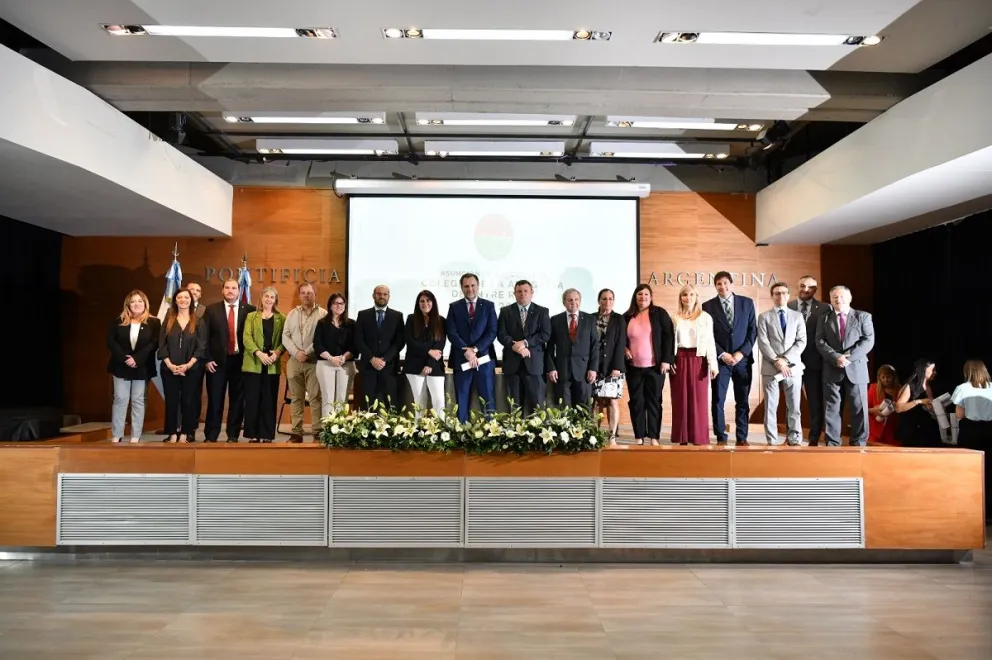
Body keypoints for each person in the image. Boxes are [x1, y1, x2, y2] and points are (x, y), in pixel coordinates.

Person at [701, 271, 757, 446]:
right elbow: (707, 335)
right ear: (715, 286)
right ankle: (721, 437)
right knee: (718, 400)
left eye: (725, 283)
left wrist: (741, 353)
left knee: (743, 400)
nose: (722, 286)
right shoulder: (707, 306)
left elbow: (752, 332)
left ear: (731, 283)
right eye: (719, 284)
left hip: (743, 361)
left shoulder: (747, 303)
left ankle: (742, 437)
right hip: (720, 361)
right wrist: (722, 353)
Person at [816, 285, 875, 446]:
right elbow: (820, 341)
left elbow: (868, 340)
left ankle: (859, 442)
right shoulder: (824, 318)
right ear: (830, 300)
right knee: (831, 409)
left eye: (842, 296)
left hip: (856, 368)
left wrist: (847, 357)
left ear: (849, 298)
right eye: (834, 297)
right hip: (832, 368)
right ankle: (832, 443)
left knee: (859, 408)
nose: (838, 299)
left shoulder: (863, 316)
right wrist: (836, 357)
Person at [202, 279, 255, 443]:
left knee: (237, 400)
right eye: (227, 288)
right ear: (222, 290)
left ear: (239, 291)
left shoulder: (250, 310)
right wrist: (207, 359)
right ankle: (211, 435)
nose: (230, 291)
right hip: (216, 363)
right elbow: (204, 337)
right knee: (215, 400)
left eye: (234, 288)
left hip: (240, 362)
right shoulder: (211, 310)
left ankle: (233, 435)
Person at [106, 290, 160, 444]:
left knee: (138, 400)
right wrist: (126, 358)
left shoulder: (154, 322)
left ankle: (136, 435)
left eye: (140, 301)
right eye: (133, 301)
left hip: (142, 366)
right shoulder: (118, 321)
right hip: (121, 366)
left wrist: (137, 358)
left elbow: (154, 343)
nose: (137, 304)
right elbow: (111, 342)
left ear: (145, 304)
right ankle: (117, 434)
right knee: (120, 399)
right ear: (128, 304)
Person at [623, 284, 675, 445]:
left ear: (651, 297)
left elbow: (669, 337)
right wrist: (624, 348)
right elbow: (619, 338)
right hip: (633, 368)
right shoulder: (627, 316)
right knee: (636, 402)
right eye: (640, 294)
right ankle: (639, 436)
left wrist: (667, 360)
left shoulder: (659, 313)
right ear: (635, 297)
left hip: (655, 367)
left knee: (654, 402)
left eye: (646, 294)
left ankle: (654, 437)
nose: (643, 297)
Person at [756, 282, 807, 446]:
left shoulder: (797, 316)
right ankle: (772, 440)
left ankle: (794, 439)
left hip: (792, 367)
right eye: (777, 293)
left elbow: (801, 341)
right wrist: (776, 361)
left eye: (784, 293)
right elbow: (763, 342)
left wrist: (785, 359)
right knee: (771, 406)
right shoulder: (764, 317)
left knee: (794, 406)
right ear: (772, 296)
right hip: (771, 367)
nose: (780, 296)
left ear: (789, 295)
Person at [670, 284, 718, 445]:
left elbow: (710, 341)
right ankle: (682, 437)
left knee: (698, 400)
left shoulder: (705, 317)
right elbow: (670, 342)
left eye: (691, 294)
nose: (688, 298)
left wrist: (713, 365)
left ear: (696, 297)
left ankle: (698, 437)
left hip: (698, 359)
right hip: (679, 359)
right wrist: (670, 361)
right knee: (680, 399)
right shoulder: (675, 317)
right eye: (684, 295)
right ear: (680, 298)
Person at [446, 273, 498, 422]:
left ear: (478, 285)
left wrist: (474, 350)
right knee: (461, 401)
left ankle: (490, 430)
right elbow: (452, 332)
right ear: (461, 288)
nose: (470, 289)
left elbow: (492, 332)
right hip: (461, 360)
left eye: (473, 285)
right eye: (466, 286)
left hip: (484, 360)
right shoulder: (454, 307)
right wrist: (466, 351)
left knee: (488, 400)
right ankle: (461, 430)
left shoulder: (488, 306)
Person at [157, 289, 206, 443]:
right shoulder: (168, 320)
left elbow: (201, 347)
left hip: (191, 369)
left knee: (188, 401)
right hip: (169, 368)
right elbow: (161, 344)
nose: (183, 300)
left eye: (186, 297)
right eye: (180, 297)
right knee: (171, 401)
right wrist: (170, 365)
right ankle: (172, 432)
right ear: (175, 300)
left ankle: (186, 432)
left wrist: (188, 365)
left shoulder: (198, 321)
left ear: (191, 300)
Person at [497, 280, 551, 416]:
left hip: (534, 364)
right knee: (514, 406)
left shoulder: (542, 311)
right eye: (519, 291)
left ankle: (537, 430)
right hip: (512, 365)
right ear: (514, 293)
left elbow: (545, 334)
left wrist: (525, 343)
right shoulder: (505, 311)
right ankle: (516, 430)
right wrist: (517, 346)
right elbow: (501, 334)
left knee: (537, 406)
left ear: (532, 292)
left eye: (526, 291)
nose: (522, 294)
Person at [282, 282, 326, 442]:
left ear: (315, 294)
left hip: (314, 361)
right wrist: (296, 353)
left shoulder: (323, 314)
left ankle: (317, 432)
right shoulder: (292, 314)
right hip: (294, 361)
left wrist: (306, 352)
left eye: (309, 292)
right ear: (299, 295)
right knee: (296, 397)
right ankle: (296, 433)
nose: (306, 295)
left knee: (315, 397)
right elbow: (285, 336)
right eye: (303, 293)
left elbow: (322, 338)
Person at [788, 275, 828, 445]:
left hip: (814, 363)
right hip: (791, 362)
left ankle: (813, 438)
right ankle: (791, 436)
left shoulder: (825, 308)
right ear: (797, 286)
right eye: (803, 285)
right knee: (791, 402)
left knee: (815, 402)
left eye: (810, 287)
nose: (805, 289)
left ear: (815, 290)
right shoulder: (788, 306)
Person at [241, 287, 285, 444]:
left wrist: (277, 353)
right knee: (252, 399)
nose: (269, 299)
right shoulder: (251, 316)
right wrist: (259, 353)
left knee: (269, 400)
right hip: (254, 362)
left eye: (272, 297)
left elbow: (285, 340)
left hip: (272, 363)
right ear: (261, 298)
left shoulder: (282, 318)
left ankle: (267, 434)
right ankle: (253, 434)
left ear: (275, 300)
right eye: (266, 296)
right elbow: (246, 337)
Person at [354, 285, 405, 410]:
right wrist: (372, 358)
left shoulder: (397, 316)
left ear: (389, 296)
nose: (382, 296)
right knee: (367, 406)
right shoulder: (363, 315)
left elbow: (399, 342)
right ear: (373, 296)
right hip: (368, 367)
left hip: (389, 368)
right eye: (379, 294)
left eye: (385, 294)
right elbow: (359, 340)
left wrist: (384, 359)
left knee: (391, 406)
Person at [952, 360, 992, 517]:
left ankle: (972, 512)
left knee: (970, 471)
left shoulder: (963, 388)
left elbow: (959, 415)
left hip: (971, 430)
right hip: (990, 430)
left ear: (967, 372)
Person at [403, 290, 447, 417]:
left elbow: (440, 346)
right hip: (414, 365)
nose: (425, 303)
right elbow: (410, 341)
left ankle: (441, 428)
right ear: (418, 304)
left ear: (433, 302)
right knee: (419, 403)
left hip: (435, 365)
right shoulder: (411, 319)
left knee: (439, 401)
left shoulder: (441, 320)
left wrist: (430, 364)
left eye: (428, 300)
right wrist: (428, 350)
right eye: (422, 301)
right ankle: (419, 428)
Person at [592, 289, 627, 446]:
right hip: (595, 366)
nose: (607, 302)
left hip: (613, 367)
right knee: (596, 402)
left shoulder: (619, 319)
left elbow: (621, 343)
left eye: (610, 298)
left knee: (612, 401)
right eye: (604, 298)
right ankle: (595, 435)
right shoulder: (591, 318)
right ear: (599, 300)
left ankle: (612, 436)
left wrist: (617, 366)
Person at [313, 292, 356, 418]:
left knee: (342, 399)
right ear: (330, 306)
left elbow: (355, 346)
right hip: (326, 364)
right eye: (336, 303)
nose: (339, 306)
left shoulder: (352, 324)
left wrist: (343, 358)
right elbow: (317, 345)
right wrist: (331, 358)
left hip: (346, 364)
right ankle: (328, 428)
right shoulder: (322, 323)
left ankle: (340, 428)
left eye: (342, 303)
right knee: (328, 399)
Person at [894, 359, 940, 447]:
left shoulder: (931, 387)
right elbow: (898, 408)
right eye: (932, 369)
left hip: (927, 431)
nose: (935, 372)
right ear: (923, 369)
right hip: (911, 432)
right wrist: (919, 401)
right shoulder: (910, 386)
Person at [867, 365, 901, 446]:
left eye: (888, 377)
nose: (886, 379)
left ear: (893, 377)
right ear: (879, 378)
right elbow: (865, 409)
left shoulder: (900, 389)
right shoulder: (873, 388)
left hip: (893, 430)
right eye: (883, 377)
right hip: (875, 429)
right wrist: (874, 410)